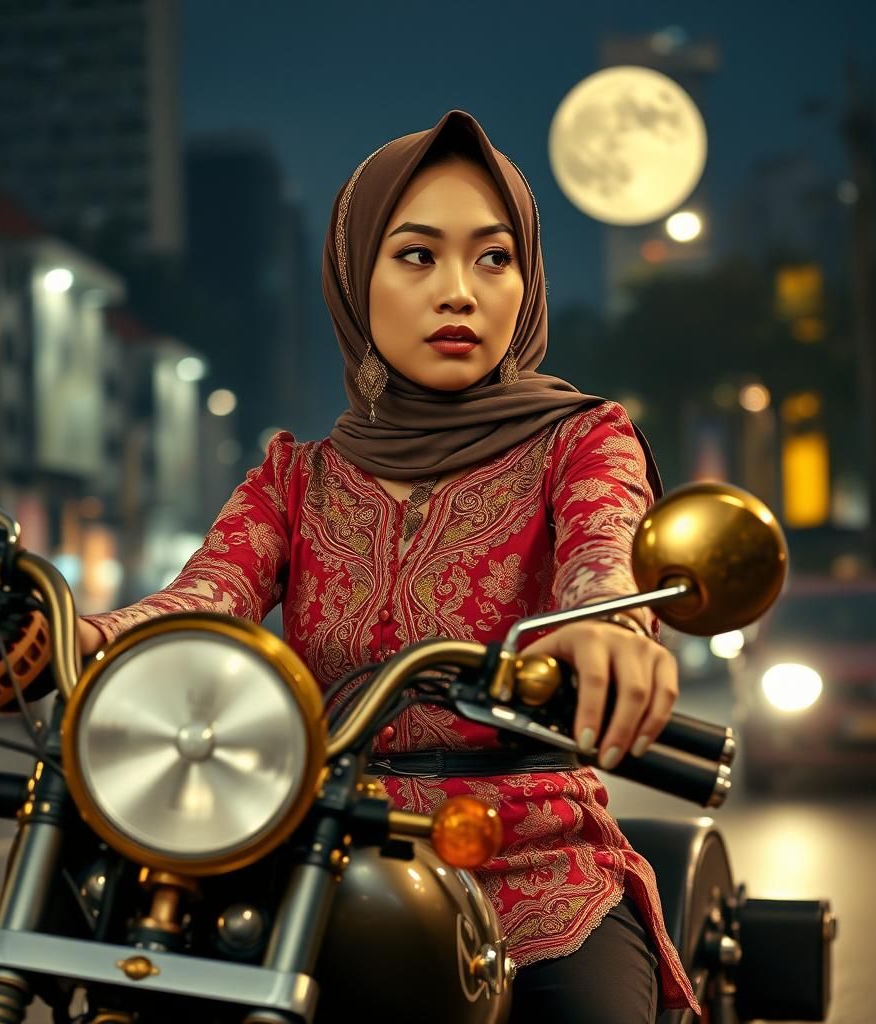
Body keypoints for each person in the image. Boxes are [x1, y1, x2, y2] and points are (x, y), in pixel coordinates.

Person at [80, 109, 698, 1021]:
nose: (462, 292)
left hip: (534, 868)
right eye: (417, 256)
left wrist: (608, 623)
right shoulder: (298, 477)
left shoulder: (581, 437)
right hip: (318, 862)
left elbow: (605, 551)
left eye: (494, 258)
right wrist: (70, 633)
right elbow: (201, 601)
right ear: (354, 279)